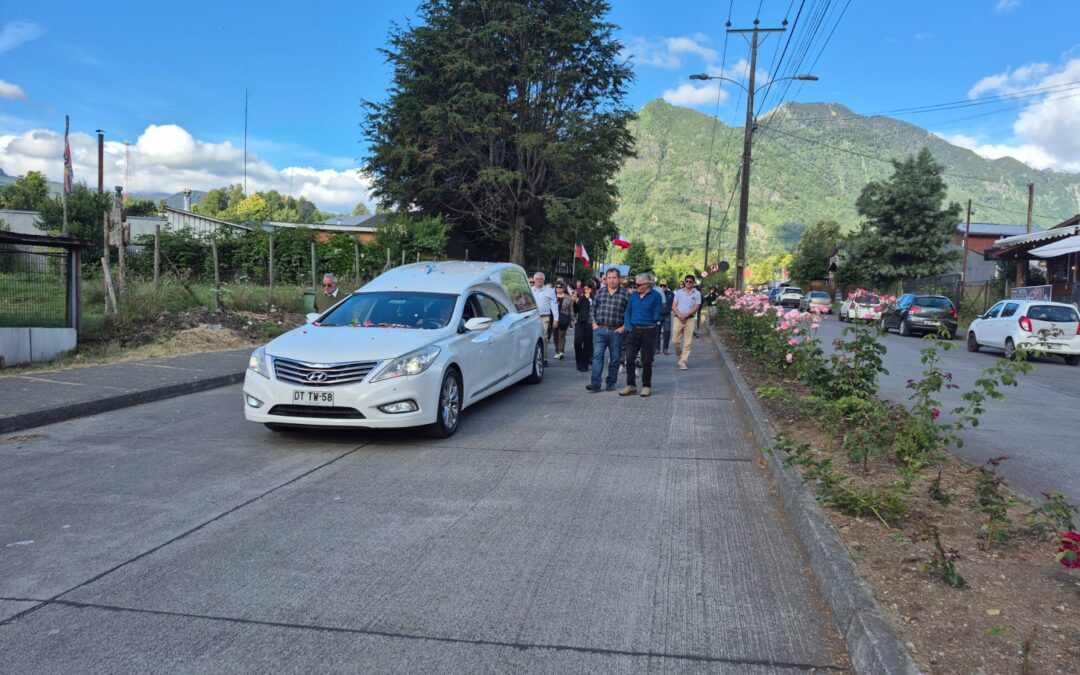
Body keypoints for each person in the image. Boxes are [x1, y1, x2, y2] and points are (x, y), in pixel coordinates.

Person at [587, 268, 629, 393]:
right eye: (609, 278)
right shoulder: (600, 292)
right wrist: (594, 324)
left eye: (614, 278)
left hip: (616, 331)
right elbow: (592, 309)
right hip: (600, 329)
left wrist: (624, 327)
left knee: (615, 358)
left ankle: (611, 382)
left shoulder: (625, 294)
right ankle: (596, 383)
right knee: (597, 356)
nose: (611, 280)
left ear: (619, 279)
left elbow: (630, 313)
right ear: (606, 279)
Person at [619, 273, 662, 397]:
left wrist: (652, 321)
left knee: (646, 360)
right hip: (634, 330)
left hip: (649, 330)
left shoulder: (656, 296)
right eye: (635, 284)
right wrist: (628, 326)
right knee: (629, 357)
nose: (636, 286)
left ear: (647, 285)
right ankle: (631, 385)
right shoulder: (633, 296)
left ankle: (646, 385)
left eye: (638, 284)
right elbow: (627, 312)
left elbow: (658, 313)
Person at [671, 275, 702, 370]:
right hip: (678, 318)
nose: (688, 283)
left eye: (690, 281)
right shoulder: (679, 292)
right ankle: (681, 356)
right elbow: (674, 306)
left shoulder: (697, 294)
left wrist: (686, 315)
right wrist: (680, 315)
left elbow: (696, 307)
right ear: (684, 282)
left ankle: (683, 362)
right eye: (687, 281)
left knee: (687, 343)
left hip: (690, 319)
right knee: (675, 341)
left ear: (693, 283)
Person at [530, 271, 557, 358]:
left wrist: (556, 319)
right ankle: (532, 357)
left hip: (544, 317)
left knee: (544, 337)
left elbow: (554, 305)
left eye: (541, 279)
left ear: (544, 280)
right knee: (532, 337)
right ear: (534, 280)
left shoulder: (549, 291)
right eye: (537, 279)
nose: (539, 280)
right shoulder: (530, 291)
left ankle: (544, 357)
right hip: (532, 317)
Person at [573, 281, 595, 371]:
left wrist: (589, 299)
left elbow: (595, 308)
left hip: (590, 324)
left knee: (587, 345)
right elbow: (576, 309)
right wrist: (575, 302)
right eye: (585, 289)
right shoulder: (581, 298)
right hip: (580, 323)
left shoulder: (595, 298)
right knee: (577, 343)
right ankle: (579, 361)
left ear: (592, 289)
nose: (586, 291)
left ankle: (585, 364)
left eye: (588, 289)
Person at [552, 280, 574, 360]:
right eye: (556, 287)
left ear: (563, 288)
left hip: (564, 319)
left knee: (561, 335)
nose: (558, 288)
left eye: (560, 287)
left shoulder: (568, 297)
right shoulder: (553, 296)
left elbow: (571, 309)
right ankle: (557, 351)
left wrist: (571, 321)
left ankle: (561, 351)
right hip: (554, 319)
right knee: (555, 336)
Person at [657, 279, 675, 355]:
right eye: (661, 285)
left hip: (667, 315)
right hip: (658, 315)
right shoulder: (656, 294)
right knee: (656, 332)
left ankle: (665, 349)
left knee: (667, 332)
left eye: (664, 286)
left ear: (667, 286)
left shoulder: (671, 294)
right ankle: (657, 349)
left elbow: (675, 303)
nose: (662, 287)